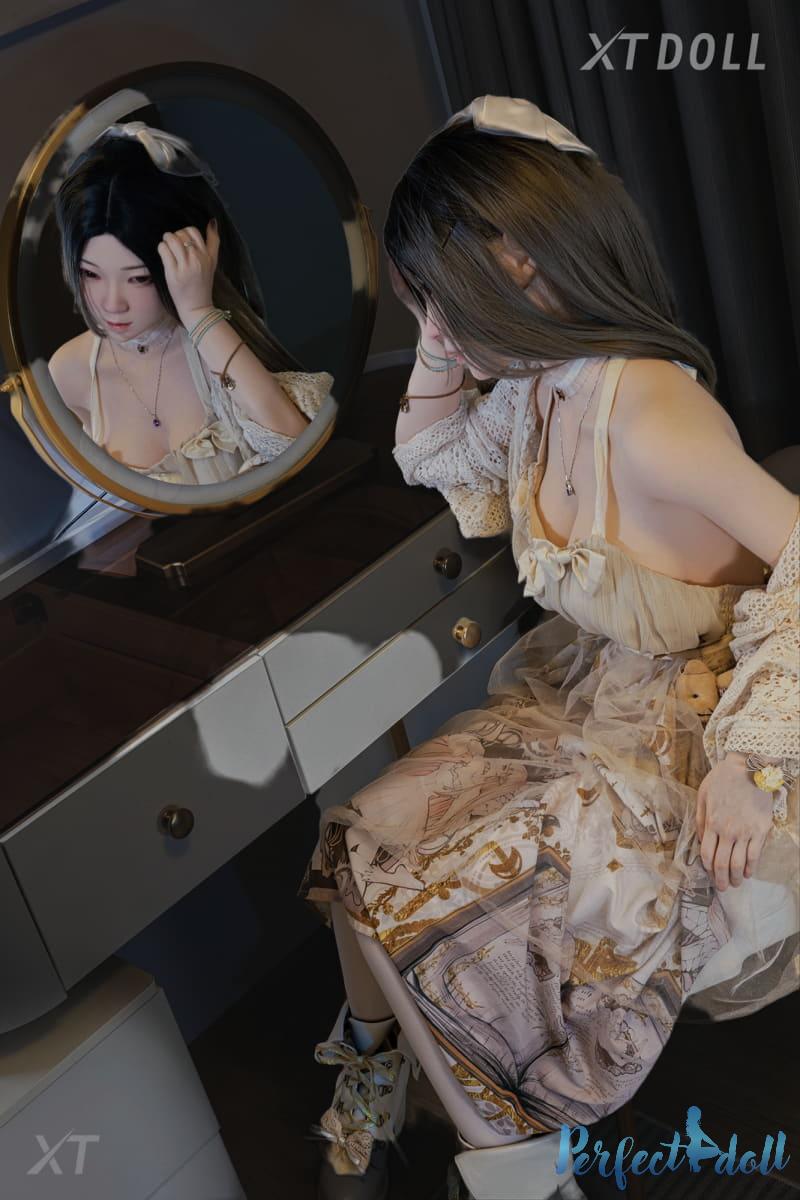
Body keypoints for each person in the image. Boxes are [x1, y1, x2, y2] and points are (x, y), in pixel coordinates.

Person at [298, 98, 800, 1200]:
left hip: (705, 720)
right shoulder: (536, 387)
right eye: (421, 298)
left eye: (441, 294)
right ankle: (374, 1083)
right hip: (596, 691)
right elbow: (431, 451)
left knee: (431, 915)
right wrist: (440, 335)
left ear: (522, 264)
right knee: (359, 843)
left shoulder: (650, 414)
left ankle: (510, 1170)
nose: (434, 323)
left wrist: (752, 761)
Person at [48, 122, 333, 484]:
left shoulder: (214, 343)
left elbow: (298, 448)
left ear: (196, 251)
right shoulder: (69, 371)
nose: (112, 303)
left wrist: (198, 314)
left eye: (139, 278)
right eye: (90, 274)